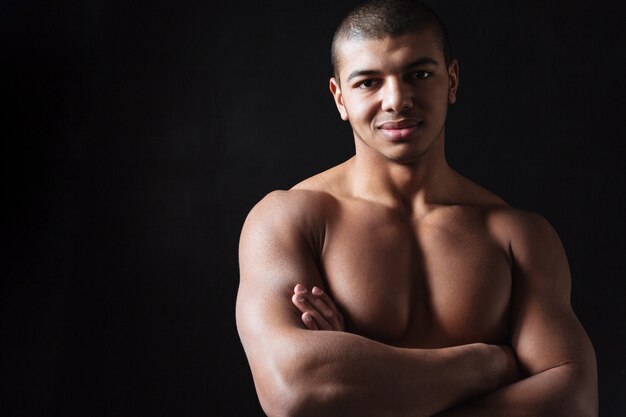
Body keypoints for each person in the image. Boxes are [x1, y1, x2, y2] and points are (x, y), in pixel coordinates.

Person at [235, 0, 598, 415]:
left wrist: (358, 381)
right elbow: (294, 388)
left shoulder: (517, 235)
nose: (397, 100)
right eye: (368, 82)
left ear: (452, 81)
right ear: (339, 97)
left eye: (419, 74)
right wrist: (485, 365)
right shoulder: (290, 220)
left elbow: (572, 400)